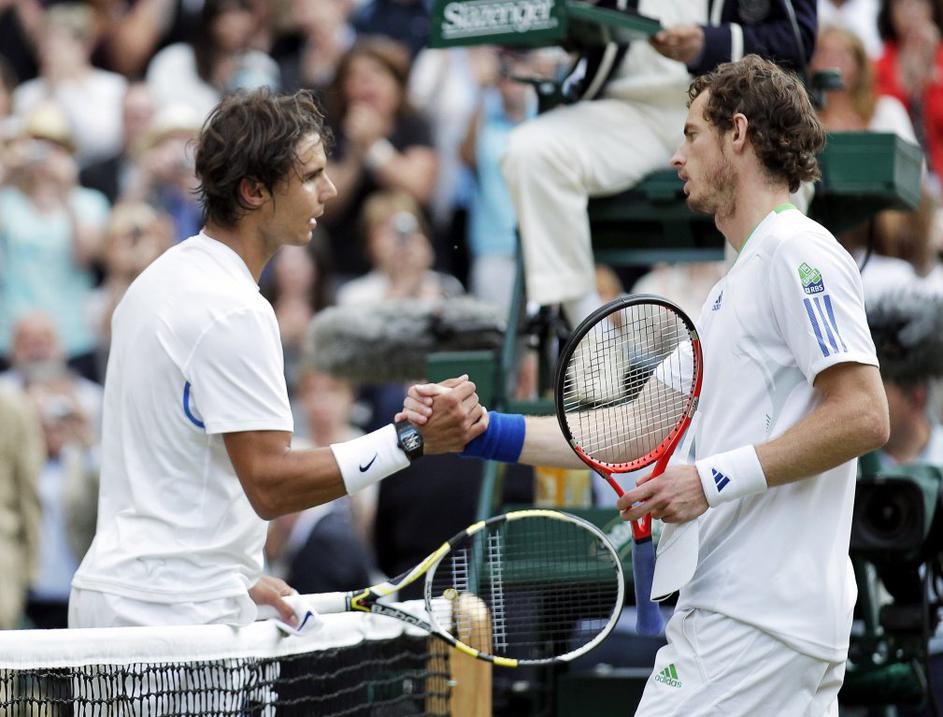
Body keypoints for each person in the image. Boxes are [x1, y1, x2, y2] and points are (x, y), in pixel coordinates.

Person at [403, 56, 890, 715]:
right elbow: (629, 429)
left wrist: (708, 480)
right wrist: (480, 431)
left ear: (737, 134)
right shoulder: (727, 295)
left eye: (691, 135)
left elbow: (863, 414)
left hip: (751, 624)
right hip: (758, 622)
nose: (675, 156)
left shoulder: (796, 249)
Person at [68, 88, 488, 630]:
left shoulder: (158, 281)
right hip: (169, 614)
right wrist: (411, 440)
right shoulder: (234, 309)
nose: (328, 190)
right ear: (254, 191)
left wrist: (230, 575)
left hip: (127, 596)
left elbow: (173, 465)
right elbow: (271, 485)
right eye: (311, 176)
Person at [500, 0, 816, 328]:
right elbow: (555, 23)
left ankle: (747, 326)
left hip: (728, 110)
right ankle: (591, 336)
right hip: (626, 110)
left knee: (776, 164)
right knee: (532, 151)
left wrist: (709, 44)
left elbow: (798, 38)